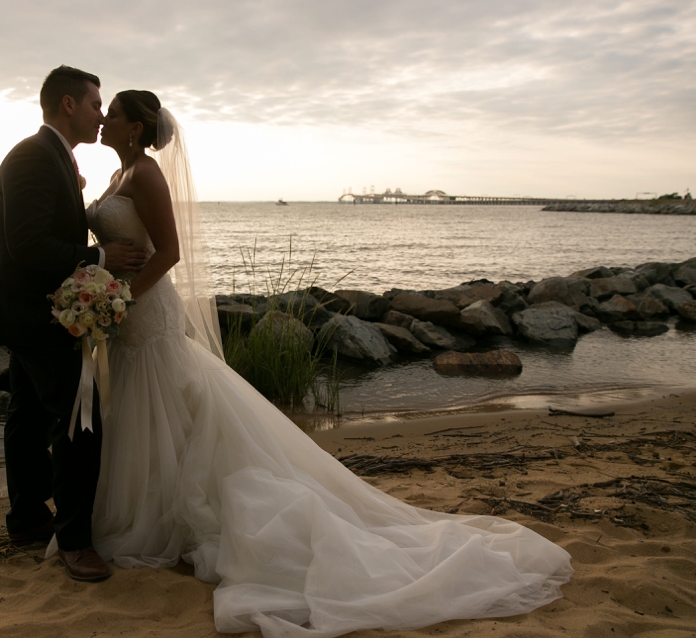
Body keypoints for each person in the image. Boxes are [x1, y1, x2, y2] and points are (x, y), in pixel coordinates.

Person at [80, 89, 574, 636]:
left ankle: (169, 523)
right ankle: (154, 512)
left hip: (146, 316)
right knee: (150, 417)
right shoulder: (114, 177)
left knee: (168, 410)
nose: (104, 119)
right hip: (126, 320)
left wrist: (121, 301)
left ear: (134, 127)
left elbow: (168, 252)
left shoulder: (146, 175)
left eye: (114, 113)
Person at [0, 66, 144, 583]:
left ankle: (28, 518)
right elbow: (27, 246)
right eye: (96, 104)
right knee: (81, 421)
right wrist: (100, 257)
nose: (102, 114)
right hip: (38, 317)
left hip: (29, 312)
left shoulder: (53, 157)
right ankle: (75, 541)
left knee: (27, 418)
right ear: (69, 105)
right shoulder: (34, 158)